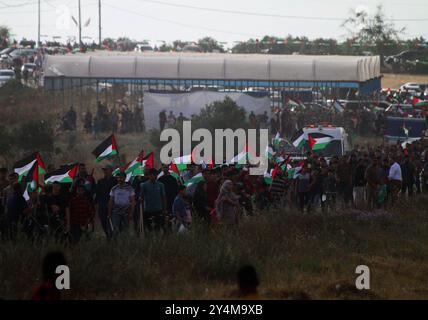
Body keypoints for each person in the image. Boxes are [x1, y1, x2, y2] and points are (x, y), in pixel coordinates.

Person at [108, 172, 135, 236]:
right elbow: (111, 201)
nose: (120, 179)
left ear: (125, 178)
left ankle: (124, 244)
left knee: (125, 230)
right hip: (116, 212)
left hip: (126, 212)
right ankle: (116, 244)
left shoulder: (130, 189)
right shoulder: (114, 188)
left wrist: (131, 213)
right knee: (115, 230)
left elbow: (133, 202)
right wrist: (109, 213)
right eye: (118, 178)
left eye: (121, 178)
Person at [140, 168, 167, 233]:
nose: (153, 176)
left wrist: (164, 209)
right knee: (149, 229)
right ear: (148, 175)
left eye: (155, 175)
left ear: (157, 175)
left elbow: (163, 197)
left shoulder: (161, 185)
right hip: (148, 210)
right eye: (151, 175)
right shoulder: (144, 185)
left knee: (158, 228)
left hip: (158, 209)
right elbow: (141, 197)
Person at [95, 165, 117, 239]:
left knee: (112, 222)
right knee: (103, 222)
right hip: (102, 205)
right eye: (104, 170)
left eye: (106, 169)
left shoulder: (116, 181)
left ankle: (113, 237)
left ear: (111, 171)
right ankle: (108, 236)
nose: (105, 171)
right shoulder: (100, 181)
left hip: (113, 205)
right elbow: (97, 194)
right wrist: (96, 205)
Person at [157, 165, 179, 230]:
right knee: (163, 218)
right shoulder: (160, 179)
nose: (165, 169)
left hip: (171, 201)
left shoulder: (173, 179)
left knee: (171, 217)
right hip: (162, 202)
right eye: (164, 167)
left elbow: (176, 190)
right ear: (162, 168)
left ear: (168, 168)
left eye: (166, 167)